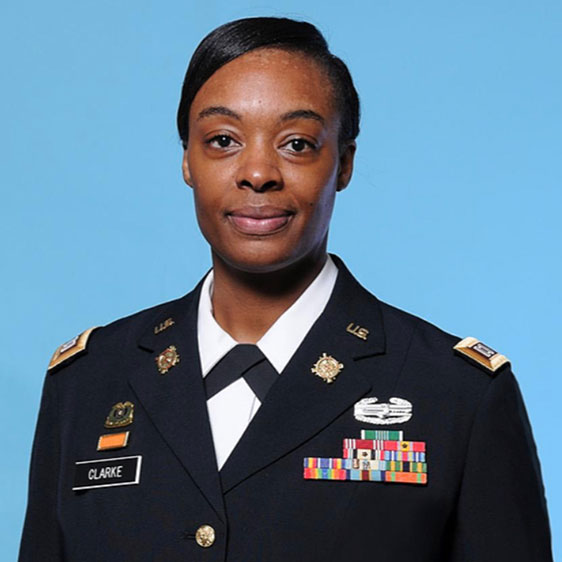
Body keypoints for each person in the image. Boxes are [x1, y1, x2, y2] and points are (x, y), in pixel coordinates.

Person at [19, 16, 553, 562]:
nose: (257, 172)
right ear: (187, 159)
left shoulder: (457, 395)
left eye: (297, 143)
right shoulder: (87, 384)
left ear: (343, 163)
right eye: (222, 140)